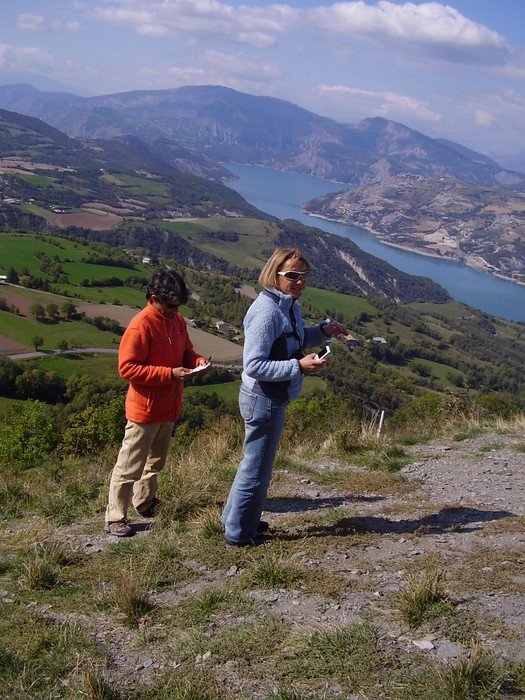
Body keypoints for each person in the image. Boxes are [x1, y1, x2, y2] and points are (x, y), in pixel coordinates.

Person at [221, 247, 349, 547]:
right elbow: (253, 364)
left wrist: (322, 331)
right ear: (275, 274)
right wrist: (298, 366)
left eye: (304, 276)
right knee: (257, 470)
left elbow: (296, 337)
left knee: (252, 464)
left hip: (269, 396)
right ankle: (239, 535)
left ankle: (235, 520)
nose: (300, 282)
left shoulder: (287, 305)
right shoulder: (267, 311)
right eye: (292, 275)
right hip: (263, 398)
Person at [105, 269, 211, 537]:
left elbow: (186, 351)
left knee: (155, 462)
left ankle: (145, 502)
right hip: (145, 410)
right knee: (129, 464)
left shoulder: (177, 321)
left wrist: (197, 362)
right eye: (171, 305)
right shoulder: (140, 326)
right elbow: (127, 369)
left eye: (179, 306)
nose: (176, 311)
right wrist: (169, 375)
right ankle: (115, 516)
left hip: (168, 407)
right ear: (154, 298)